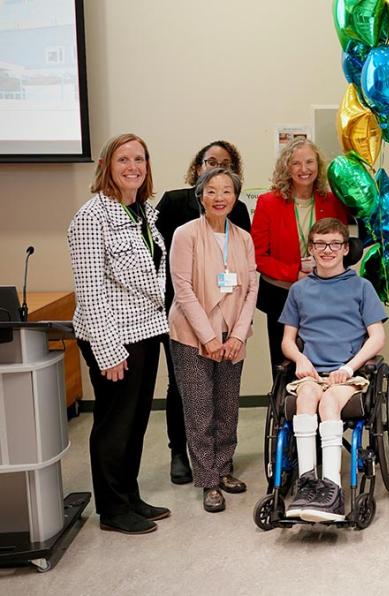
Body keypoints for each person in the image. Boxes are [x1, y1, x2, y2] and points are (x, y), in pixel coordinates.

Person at [68, 133, 170, 534]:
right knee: (114, 424)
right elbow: (90, 291)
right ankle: (112, 508)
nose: (133, 167)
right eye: (124, 159)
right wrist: (108, 350)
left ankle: (129, 496)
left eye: (140, 159)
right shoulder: (92, 217)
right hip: (112, 337)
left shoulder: (143, 211)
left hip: (146, 331)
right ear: (108, 166)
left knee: (136, 421)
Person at [156, 140, 251, 485]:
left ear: (236, 196)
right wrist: (208, 338)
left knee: (227, 409)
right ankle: (208, 480)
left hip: (232, 336)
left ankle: (223, 469)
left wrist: (238, 334)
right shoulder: (185, 234)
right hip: (192, 334)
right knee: (199, 409)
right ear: (200, 195)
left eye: (227, 190)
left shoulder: (242, 237)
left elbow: (250, 286)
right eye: (212, 190)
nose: (220, 197)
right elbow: (182, 288)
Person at [279, 218, 387, 522]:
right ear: (311, 249)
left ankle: (332, 487)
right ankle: (307, 482)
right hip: (312, 374)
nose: (328, 250)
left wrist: (349, 367)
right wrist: (300, 359)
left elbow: (376, 337)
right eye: (321, 244)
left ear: (345, 249)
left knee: (328, 403)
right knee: (305, 400)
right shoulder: (299, 291)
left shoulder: (362, 287)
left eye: (335, 244)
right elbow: (288, 340)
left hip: (347, 375)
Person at [252, 139, 348, 369]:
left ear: (319, 165)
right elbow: (257, 255)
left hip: (324, 293)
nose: (304, 169)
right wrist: (294, 275)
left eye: (309, 162)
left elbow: (341, 244)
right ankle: (285, 405)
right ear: (286, 167)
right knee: (284, 361)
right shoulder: (268, 203)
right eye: (296, 163)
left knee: (322, 359)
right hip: (282, 295)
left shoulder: (332, 201)